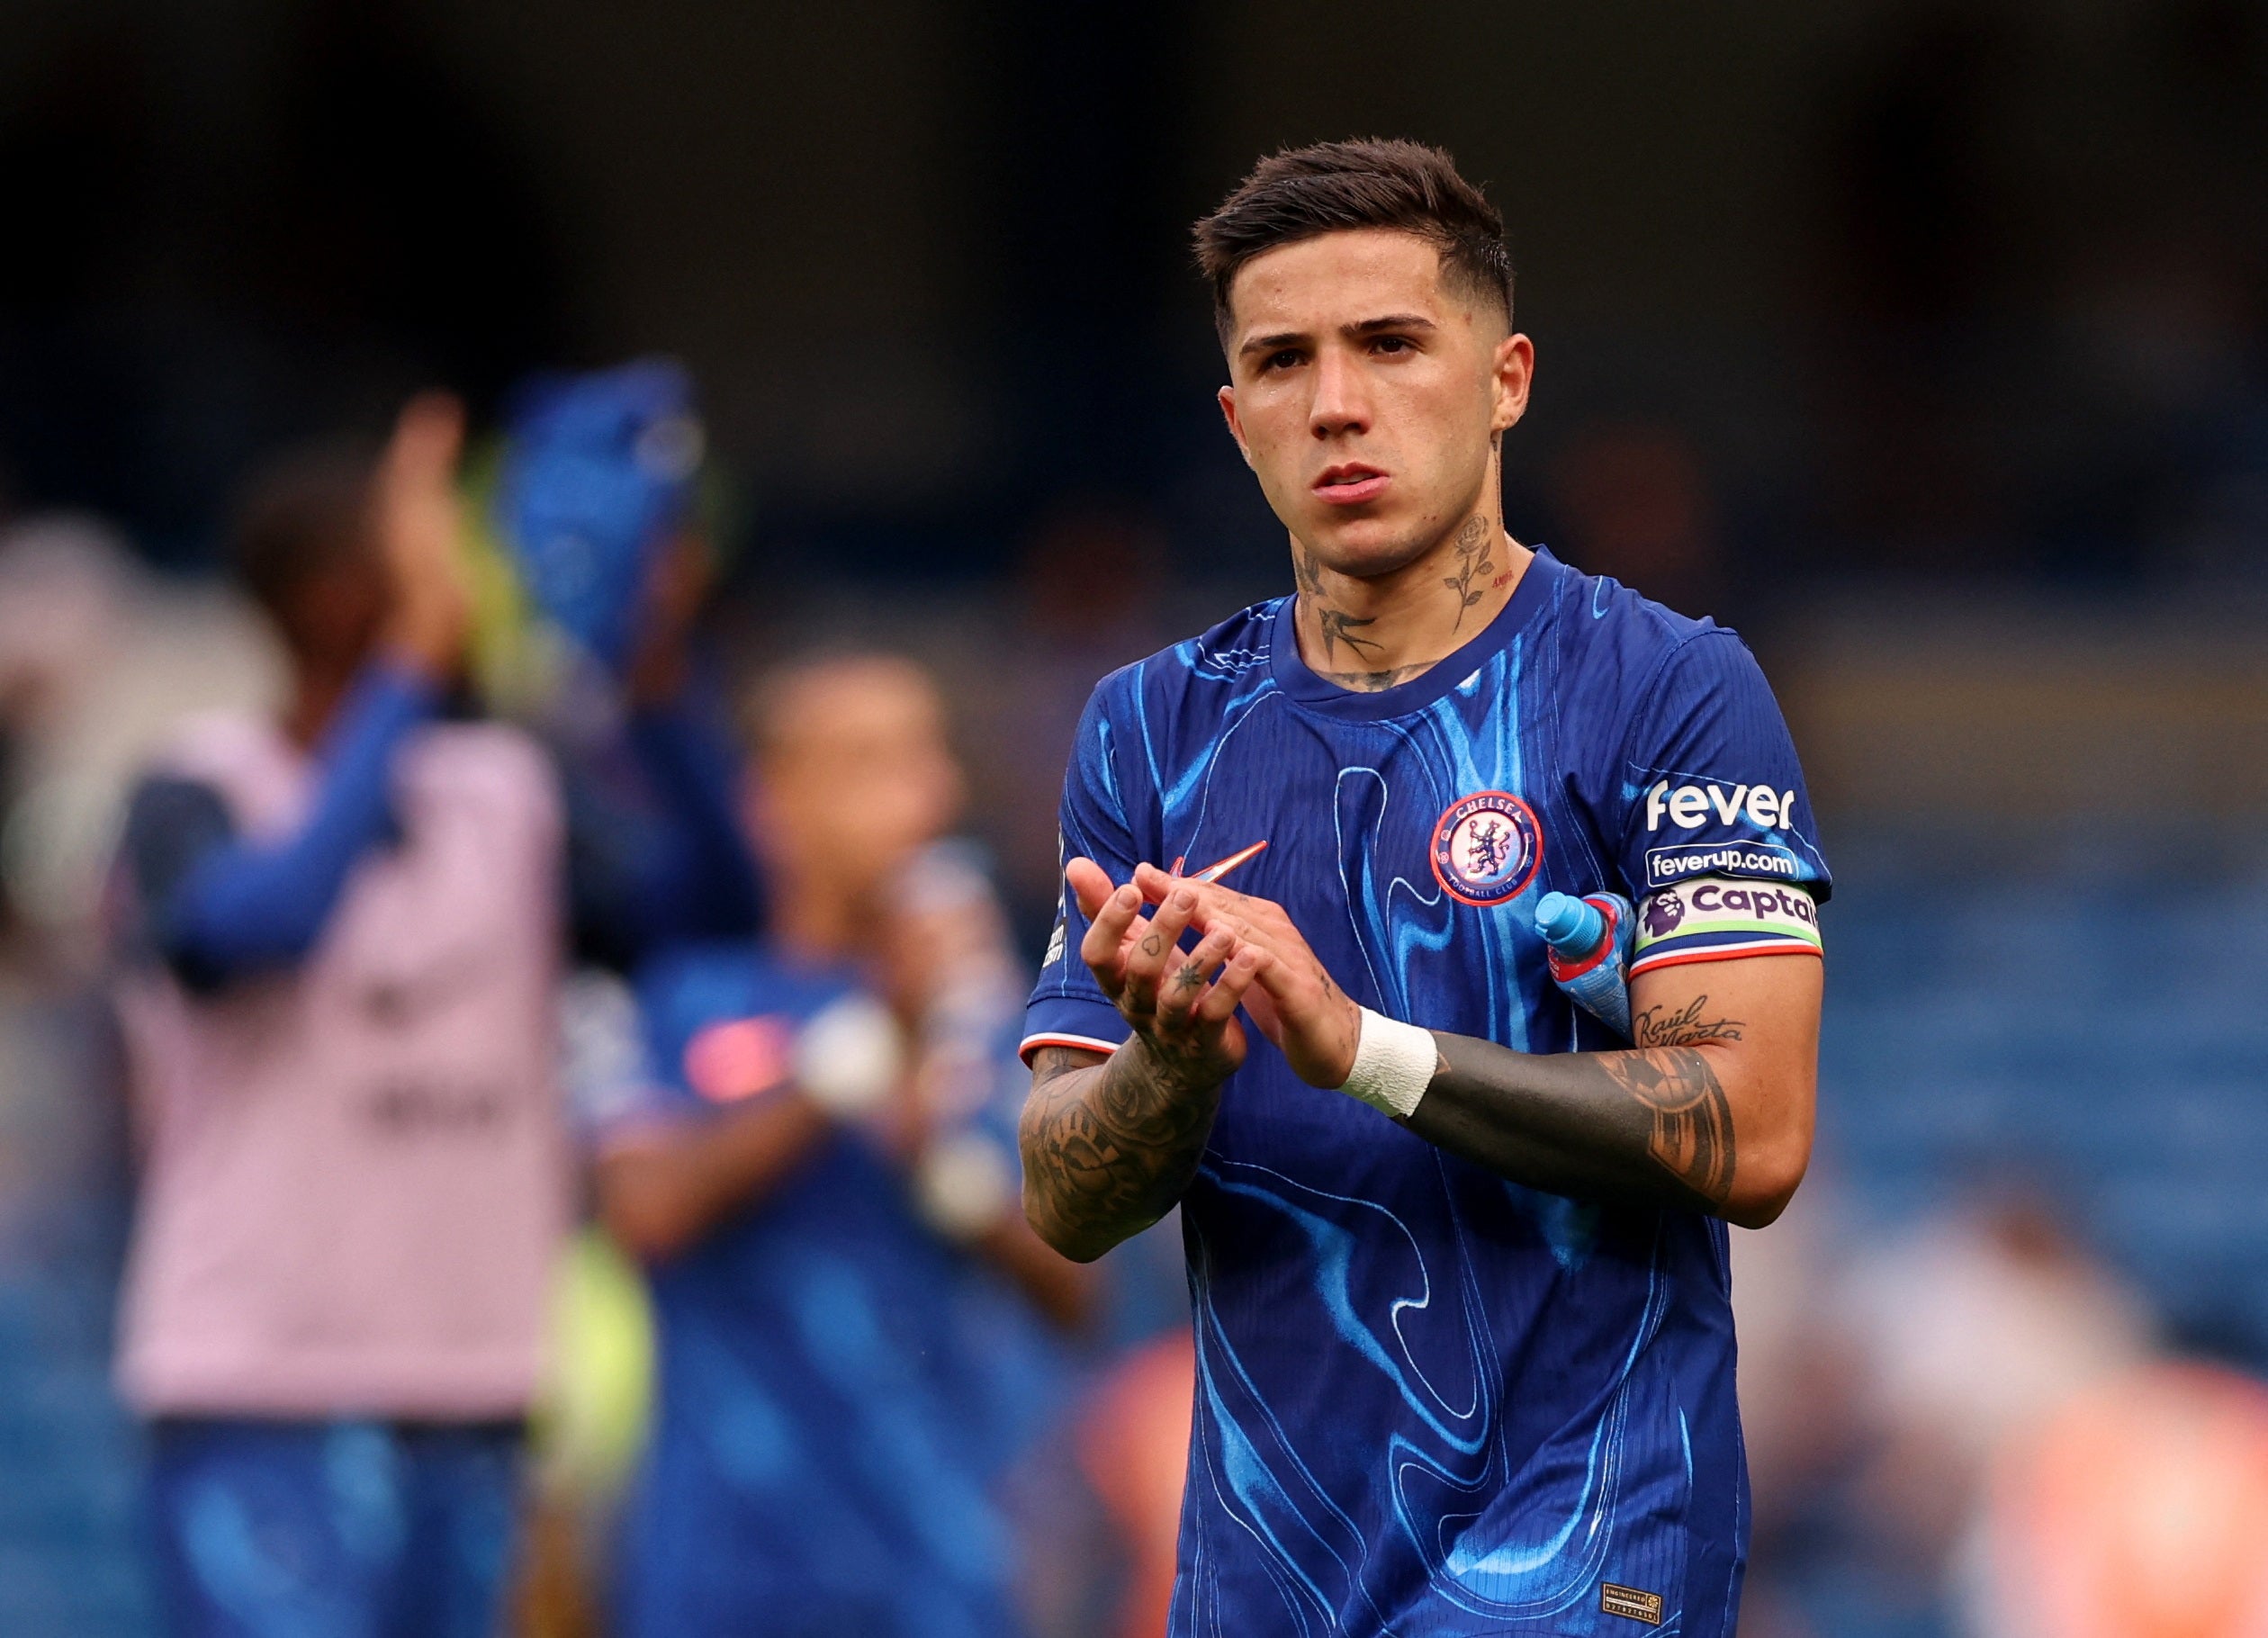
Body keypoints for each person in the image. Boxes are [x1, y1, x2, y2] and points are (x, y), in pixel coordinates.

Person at [1018, 140, 1830, 1635]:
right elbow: (1065, 1197)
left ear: (1507, 377)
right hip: (1265, 1577)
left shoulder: (1666, 688)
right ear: (1236, 417)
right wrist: (1172, 1068)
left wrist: (1360, 1051)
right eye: (1283, 361)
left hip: (1584, 1550)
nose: (1337, 401)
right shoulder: (1150, 727)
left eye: (1391, 343)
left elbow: (1758, 1129)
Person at [110, 396, 569, 1637]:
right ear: (327, 592)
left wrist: (633, 642)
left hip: (469, 1378)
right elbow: (257, 927)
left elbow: (712, 892)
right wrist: (416, 664)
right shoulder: (193, 786)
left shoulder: (509, 787)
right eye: (413, 554)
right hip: (261, 1380)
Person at [580, 652, 1089, 1638]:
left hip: (936, 1565)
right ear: (768, 805)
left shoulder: (997, 1030)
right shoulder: (682, 1003)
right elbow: (645, 1210)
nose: (923, 794)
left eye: (927, 757)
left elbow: (1076, 1288)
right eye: (868, 761)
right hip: (727, 1563)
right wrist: (857, 1052)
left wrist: (941, 1163)